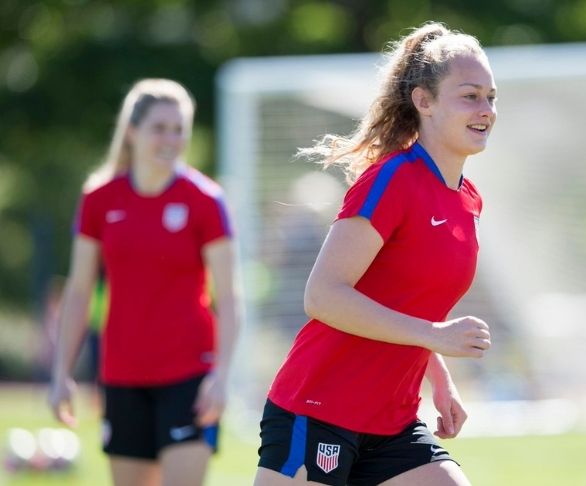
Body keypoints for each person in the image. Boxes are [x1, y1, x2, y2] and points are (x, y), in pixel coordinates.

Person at [254, 22, 496, 486]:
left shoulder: (469, 200)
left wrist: (439, 378)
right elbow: (323, 295)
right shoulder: (392, 180)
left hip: (391, 422)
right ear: (423, 101)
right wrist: (436, 336)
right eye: (469, 95)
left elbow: (403, 300)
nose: (485, 109)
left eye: (491, 96)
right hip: (318, 407)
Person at [48, 78, 240, 486]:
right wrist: (61, 371)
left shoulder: (205, 200)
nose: (171, 139)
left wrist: (221, 376)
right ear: (132, 131)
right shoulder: (99, 199)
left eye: (179, 129)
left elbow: (229, 296)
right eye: (160, 127)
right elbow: (79, 290)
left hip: (190, 374)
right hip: (122, 375)